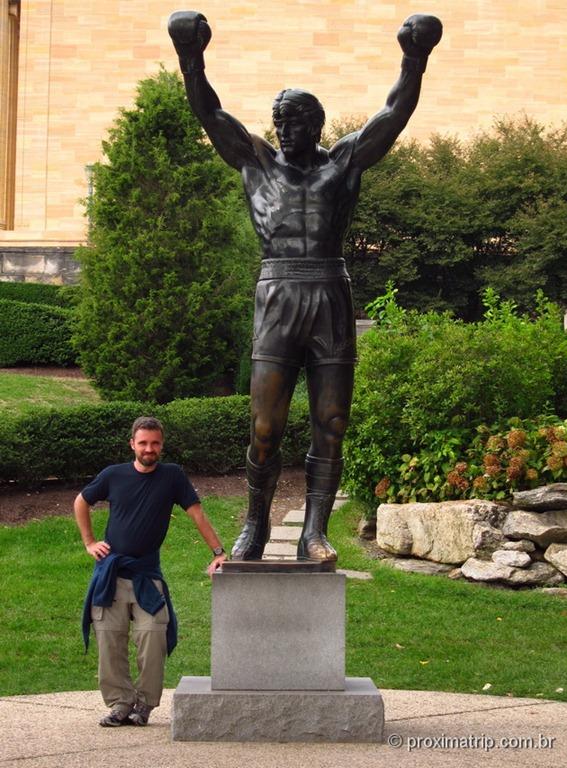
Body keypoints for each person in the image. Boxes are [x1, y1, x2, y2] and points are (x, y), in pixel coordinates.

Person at [168, 11, 442, 562]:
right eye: (277, 120)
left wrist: (415, 59)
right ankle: (255, 525)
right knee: (265, 427)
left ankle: (315, 532)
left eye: (292, 121)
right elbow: (209, 111)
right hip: (278, 293)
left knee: (332, 422)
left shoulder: (343, 163)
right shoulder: (255, 162)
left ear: (315, 124)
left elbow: (394, 113)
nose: (282, 129)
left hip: (329, 291)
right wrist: (190, 57)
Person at [74, 416, 226, 727]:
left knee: (152, 638)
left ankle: (143, 705)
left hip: (147, 577)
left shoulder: (173, 477)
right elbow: (80, 501)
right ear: (132, 444)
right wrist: (89, 541)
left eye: (155, 443)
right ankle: (119, 704)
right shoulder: (113, 475)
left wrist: (219, 552)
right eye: (143, 443)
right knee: (110, 641)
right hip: (111, 576)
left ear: (162, 445)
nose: (149, 449)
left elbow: (197, 514)